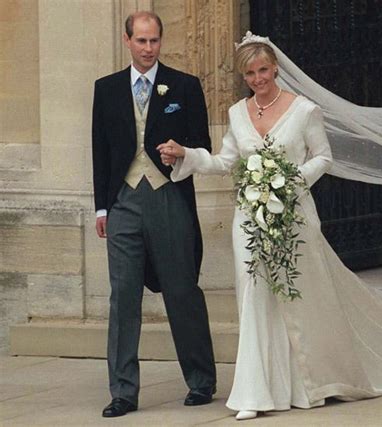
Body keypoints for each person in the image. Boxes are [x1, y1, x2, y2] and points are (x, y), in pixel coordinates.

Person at [158, 36, 382, 420]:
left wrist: (290, 180)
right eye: (250, 73)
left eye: (263, 70)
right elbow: (227, 161)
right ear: (243, 76)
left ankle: (310, 383)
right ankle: (257, 391)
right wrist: (186, 155)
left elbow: (323, 156)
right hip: (249, 221)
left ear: (274, 68)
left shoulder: (304, 110)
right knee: (255, 298)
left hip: (294, 217)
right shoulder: (238, 112)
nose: (258, 78)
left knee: (300, 300)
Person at [92, 11, 216, 418]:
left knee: (182, 290)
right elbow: (101, 152)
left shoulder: (184, 85)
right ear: (127, 41)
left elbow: (203, 145)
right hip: (124, 202)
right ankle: (123, 392)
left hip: (169, 197)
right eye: (141, 41)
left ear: (161, 41)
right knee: (123, 297)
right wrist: (101, 207)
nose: (148, 49)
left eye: (154, 41)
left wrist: (180, 153)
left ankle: (201, 382)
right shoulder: (106, 89)